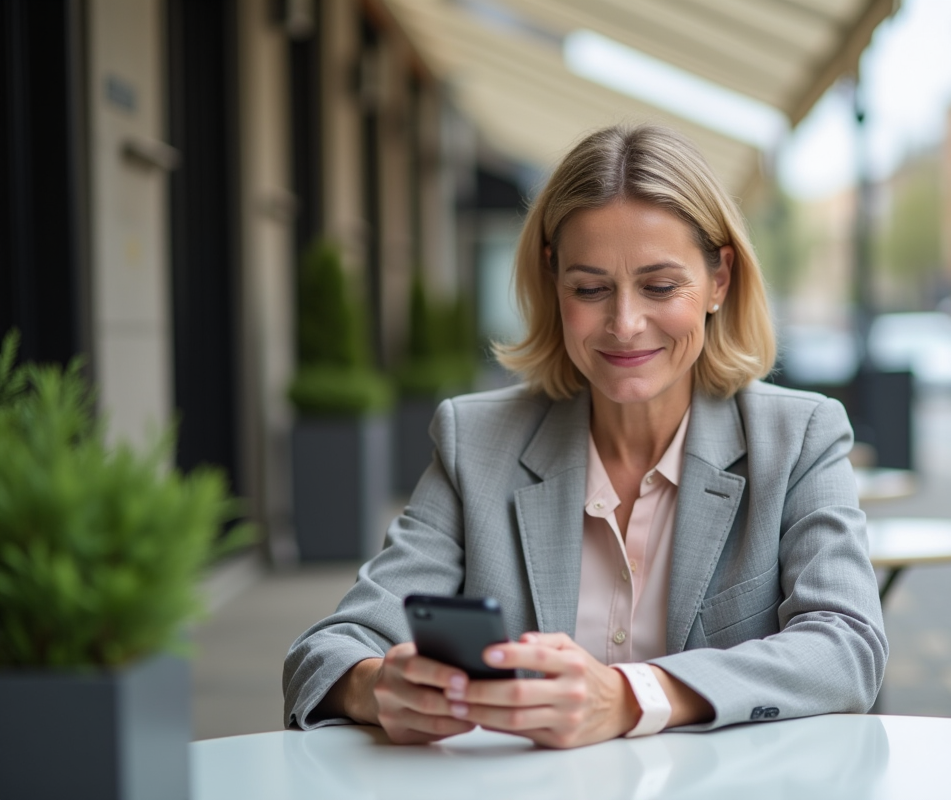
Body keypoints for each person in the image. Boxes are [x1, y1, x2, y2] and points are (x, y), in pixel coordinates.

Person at [283, 124, 887, 749]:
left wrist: (630, 696)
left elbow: (848, 649)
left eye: (660, 286)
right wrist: (377, 686)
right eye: (590, 289)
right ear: (554, 282)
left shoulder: (798, 437)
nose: (625, 324)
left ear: (720, 280)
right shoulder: (477, 441)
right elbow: (325, 653)